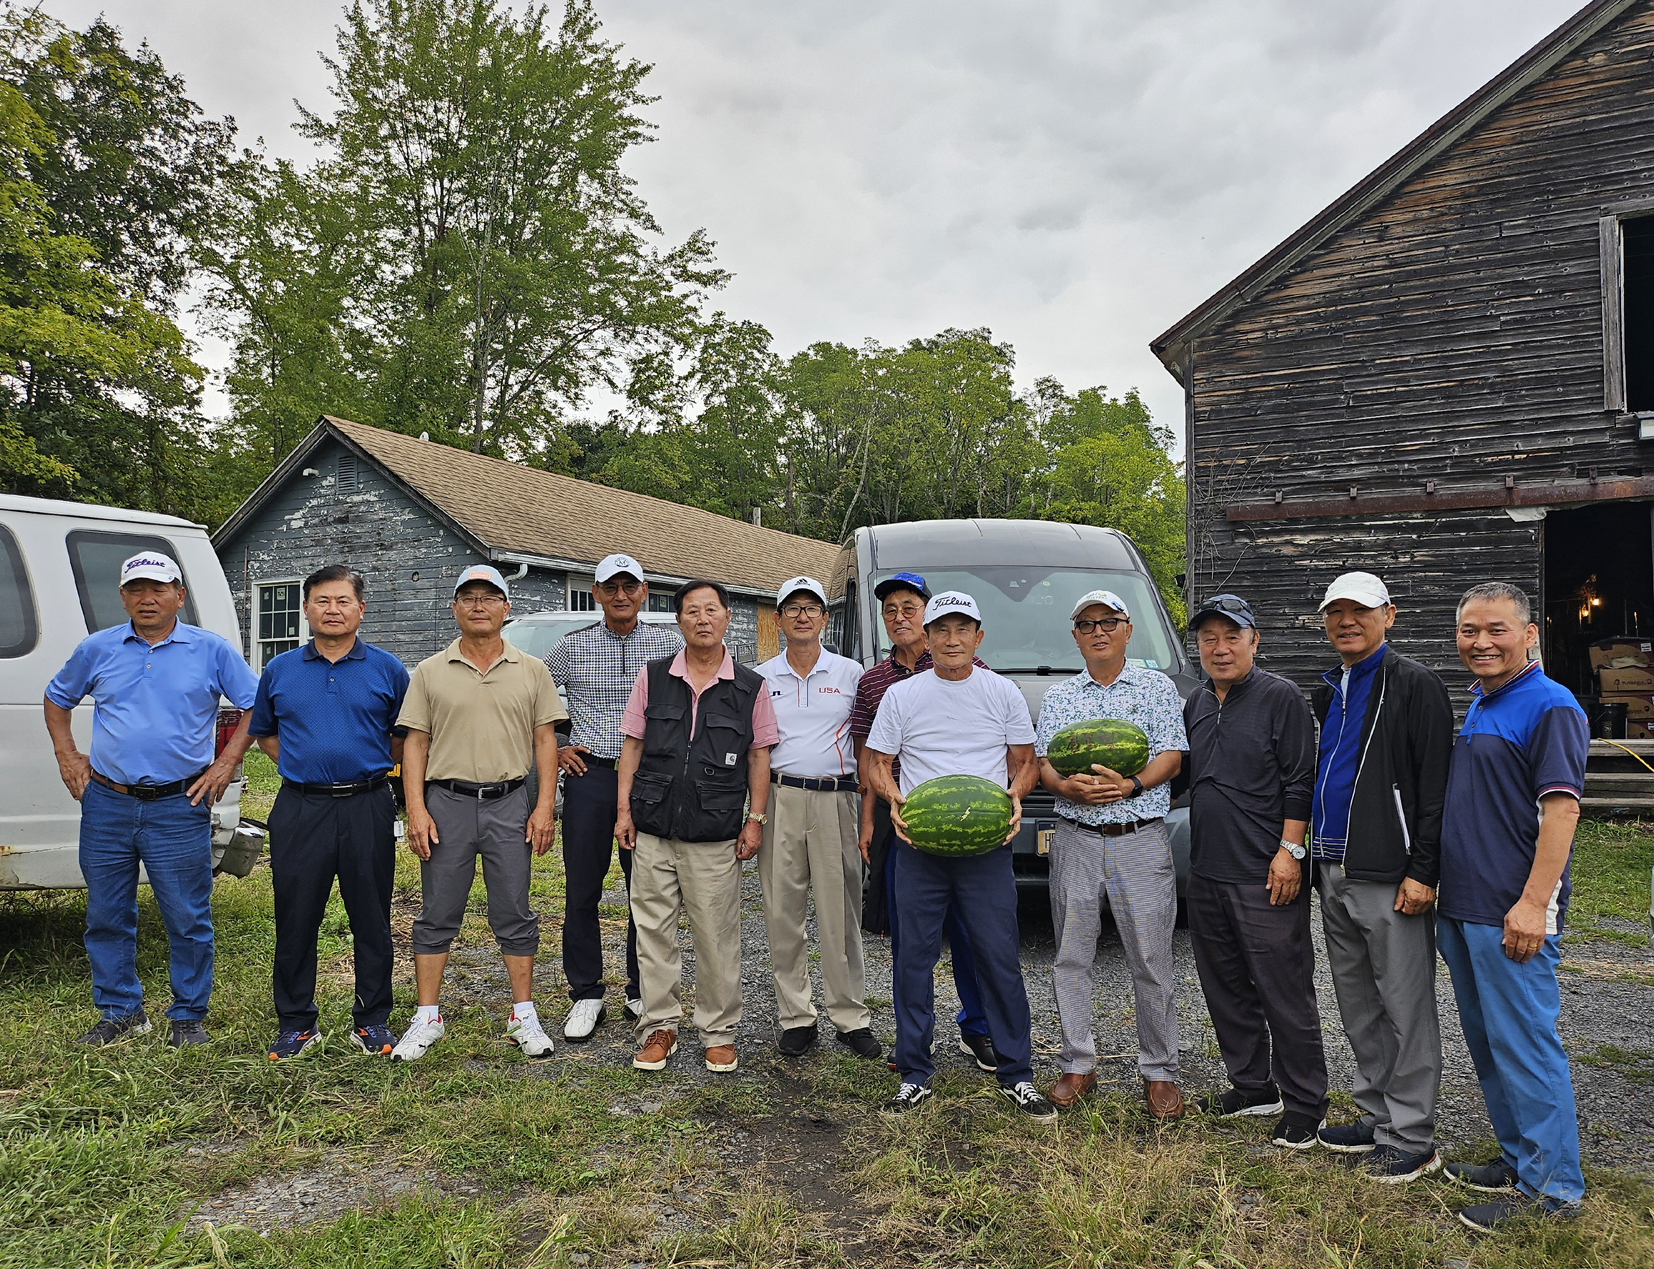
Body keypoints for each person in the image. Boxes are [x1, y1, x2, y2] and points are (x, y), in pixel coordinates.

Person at [44, 551, 258, 1048]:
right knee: (106, 914)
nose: (147, 598)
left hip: (178, 804)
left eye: (158, 588)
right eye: (136, 589)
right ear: (122, 597)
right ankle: (120, 1010)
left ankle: (187, 1015)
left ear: (178, 596)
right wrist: (67, 755)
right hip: (107, 803)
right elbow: (57, 700)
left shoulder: (211, 650)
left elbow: (255, 705)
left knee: (186, 916)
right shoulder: (96, 649)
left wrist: (225, 764)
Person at [864, 591, 1055, 1123]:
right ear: (927, 638)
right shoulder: (903, 696)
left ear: (979, 637)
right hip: (918, 848)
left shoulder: (1003, 693)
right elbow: (879, 762)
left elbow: (1026, 763)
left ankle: (1018, 1074)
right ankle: (914, 1073)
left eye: (962, 629)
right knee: (913, 961)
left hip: (986, 849)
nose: (951, 640)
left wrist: (1015, 798)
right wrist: (892, 797)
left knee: (998, 956)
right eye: (941, 630)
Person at [1436, 582, 1588, 1233]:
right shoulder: (1482, 701)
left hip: (1512, 913)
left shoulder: (1550, 705)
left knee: (1526, 1044)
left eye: (1496, 628)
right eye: (1470, 630)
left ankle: (1553, 1189)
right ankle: (1520, 1159)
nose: (1481, 641)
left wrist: (1532, 902)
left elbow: (1562, 810)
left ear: (1529, 633)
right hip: (1464, 906)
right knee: (1492, 1042)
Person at [1309, 572, 1453, 1181]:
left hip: (1389, 873)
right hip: (1331, 863)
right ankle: (1377, 1113)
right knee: (1358, 1001)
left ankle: (1414, 1132)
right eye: (1335, 612)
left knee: (1404, 1002)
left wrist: (1423, 870)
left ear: (1388, 616)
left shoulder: (1415, 684)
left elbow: (1434, 788)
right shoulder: (1329, 689)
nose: (1347, 621)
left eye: (1360, 611)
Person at [391, 564, 567, 1062]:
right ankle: (427, 1017)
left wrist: (543, 808)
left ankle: (523, 1014)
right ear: (455, 609)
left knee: (514, 909)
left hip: (510, 802)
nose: (479, 605)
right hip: (446, 803)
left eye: (490, 597)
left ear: (506, 608)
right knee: (437, 912)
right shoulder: (429, 671)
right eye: (468, 597)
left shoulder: (531, 670)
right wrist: (417, 810)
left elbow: (545, 743)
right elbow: (415, 745)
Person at [248, 565, 411, 1061]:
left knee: (371, 916)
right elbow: (266, 733)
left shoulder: (388, 670)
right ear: (306, 609)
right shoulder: (280, 669)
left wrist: (360, 768)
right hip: (300, 808)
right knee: (296, 917)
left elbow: (403, 738)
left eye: (343, 601)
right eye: (322, 601)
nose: (332, 610)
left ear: (361, 609)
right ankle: (297, 1023)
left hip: (368, 804)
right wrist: (305, 768)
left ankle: (372, 1020)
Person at [615, 579, 778, 1074]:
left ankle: (718, 1030)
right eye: (691, 611)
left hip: (714, 833)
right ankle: (660, 1024)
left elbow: (759, 757)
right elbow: (633, 748)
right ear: (679, 620)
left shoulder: (750, 686)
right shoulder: (653, 676)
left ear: (727, 618)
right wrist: (624, 811)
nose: (702, 619)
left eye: (711, 610)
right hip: (653, 829)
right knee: (653, 932)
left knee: (716, 935)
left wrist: (755, 821)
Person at [1034, 590, 1187, 1116]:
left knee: (1150, 956)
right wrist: (1066, 788)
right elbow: (1045, 764)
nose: (1098, 631)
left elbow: (1171, 754)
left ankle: (1160, 1072)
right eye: (1086, 624)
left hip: (1138, 834)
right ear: (1075, 637)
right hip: (1075, 836)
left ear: (1127, 630)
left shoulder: (1156, 688)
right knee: (1071, 955)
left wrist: (1133, 786)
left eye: (1108, 622)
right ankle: (1078, 1063)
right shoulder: (1059, 698)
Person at [1182, 594, 1327, 1148]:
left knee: (1283, 988)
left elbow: (1299, 779)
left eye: (1231, 637)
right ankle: (1252, 1085)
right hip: (1207, 869)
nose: (1219, 649)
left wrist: (1290, 851)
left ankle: (1305, 1101)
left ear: (1254, 641)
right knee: (1225, 987)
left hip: (1264, 870)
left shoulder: (1280, 697)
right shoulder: (1196, 701)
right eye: (1208, 639)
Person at [850, 572, 1000, 1076]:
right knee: (910, 937)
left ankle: (977, 1028)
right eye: (890, 609)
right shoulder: (874, 682)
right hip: (902, 818)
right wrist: (869, 822)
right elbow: (870, 758)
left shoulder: (974, 670)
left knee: (969, 932)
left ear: (930, 615)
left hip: (966, 818)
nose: (899, 617)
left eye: (908, 607)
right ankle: (914, 1043)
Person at [544, 552, 682, 1042]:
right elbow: (532, 701)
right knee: (582, 888)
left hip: (650, 781)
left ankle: (640, 986)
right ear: (597, 592)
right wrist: (559, 745)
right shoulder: (570, 647)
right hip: (591, 776)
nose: (621, 596)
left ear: (644, 591)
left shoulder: (669, 645)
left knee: (644, 889)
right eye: (610, 588)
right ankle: (585, 993)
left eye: (630, 587)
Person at [755, 576, 879, 1060]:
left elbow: (870, 742)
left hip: (835, 800)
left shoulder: (852, 674)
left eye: (812, 608)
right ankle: (796, 1016)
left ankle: (848, 1015)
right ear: (779, 618)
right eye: (793, 608)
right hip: (781, 799)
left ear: (825, 619)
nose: (802, 615)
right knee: (782, 910)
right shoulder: (762, 677)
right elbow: (756, 749)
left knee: (840, 913)